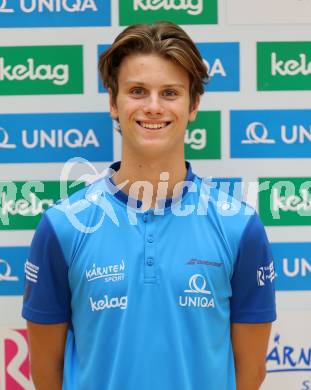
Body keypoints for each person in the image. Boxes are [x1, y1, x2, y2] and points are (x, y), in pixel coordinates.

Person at [22, 21, 276, 390]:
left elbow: (249, 373)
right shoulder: (63, 226)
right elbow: (47, 374)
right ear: (113, 102)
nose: (153, 107)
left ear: (193, 106)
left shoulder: (239, 228)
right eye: (138, 91)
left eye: (170, 93)